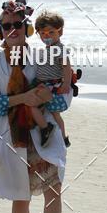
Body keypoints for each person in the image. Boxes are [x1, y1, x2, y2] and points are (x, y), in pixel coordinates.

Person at [0, 0, 70, 213]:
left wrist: (42, 100)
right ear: (0, 31)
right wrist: (23, 99)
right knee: (21, 196)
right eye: (6, 26)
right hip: (13, 136)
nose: (12, 29)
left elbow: (64, 95)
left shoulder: (44, 56)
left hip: (44, 133)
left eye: (18, 24)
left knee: (54, 189)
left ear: (27, 28)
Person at [32, 9, 73, 147]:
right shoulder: (48, 49)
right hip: (45, 85)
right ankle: (63, 138)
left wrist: (66, 84)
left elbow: (67, 67)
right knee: (55, 114)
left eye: (51, 32)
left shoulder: (60, 49)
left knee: (32, 105)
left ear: (60, 32)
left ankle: (46, 128)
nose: (46, 36)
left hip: (52, 87)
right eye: (42, 33)